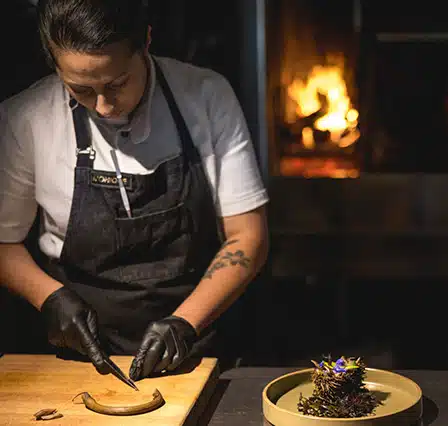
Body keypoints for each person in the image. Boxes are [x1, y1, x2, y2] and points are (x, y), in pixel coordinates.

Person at [0, 0, 269, 381]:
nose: (104, 107)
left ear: (145, 40)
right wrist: (49, 298)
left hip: (198, 352)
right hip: (81, 359)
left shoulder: (206, 96)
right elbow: (3, 242)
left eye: (117, 83)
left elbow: (248, 235)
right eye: (80, 89)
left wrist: (185, 324)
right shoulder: (26, 117)